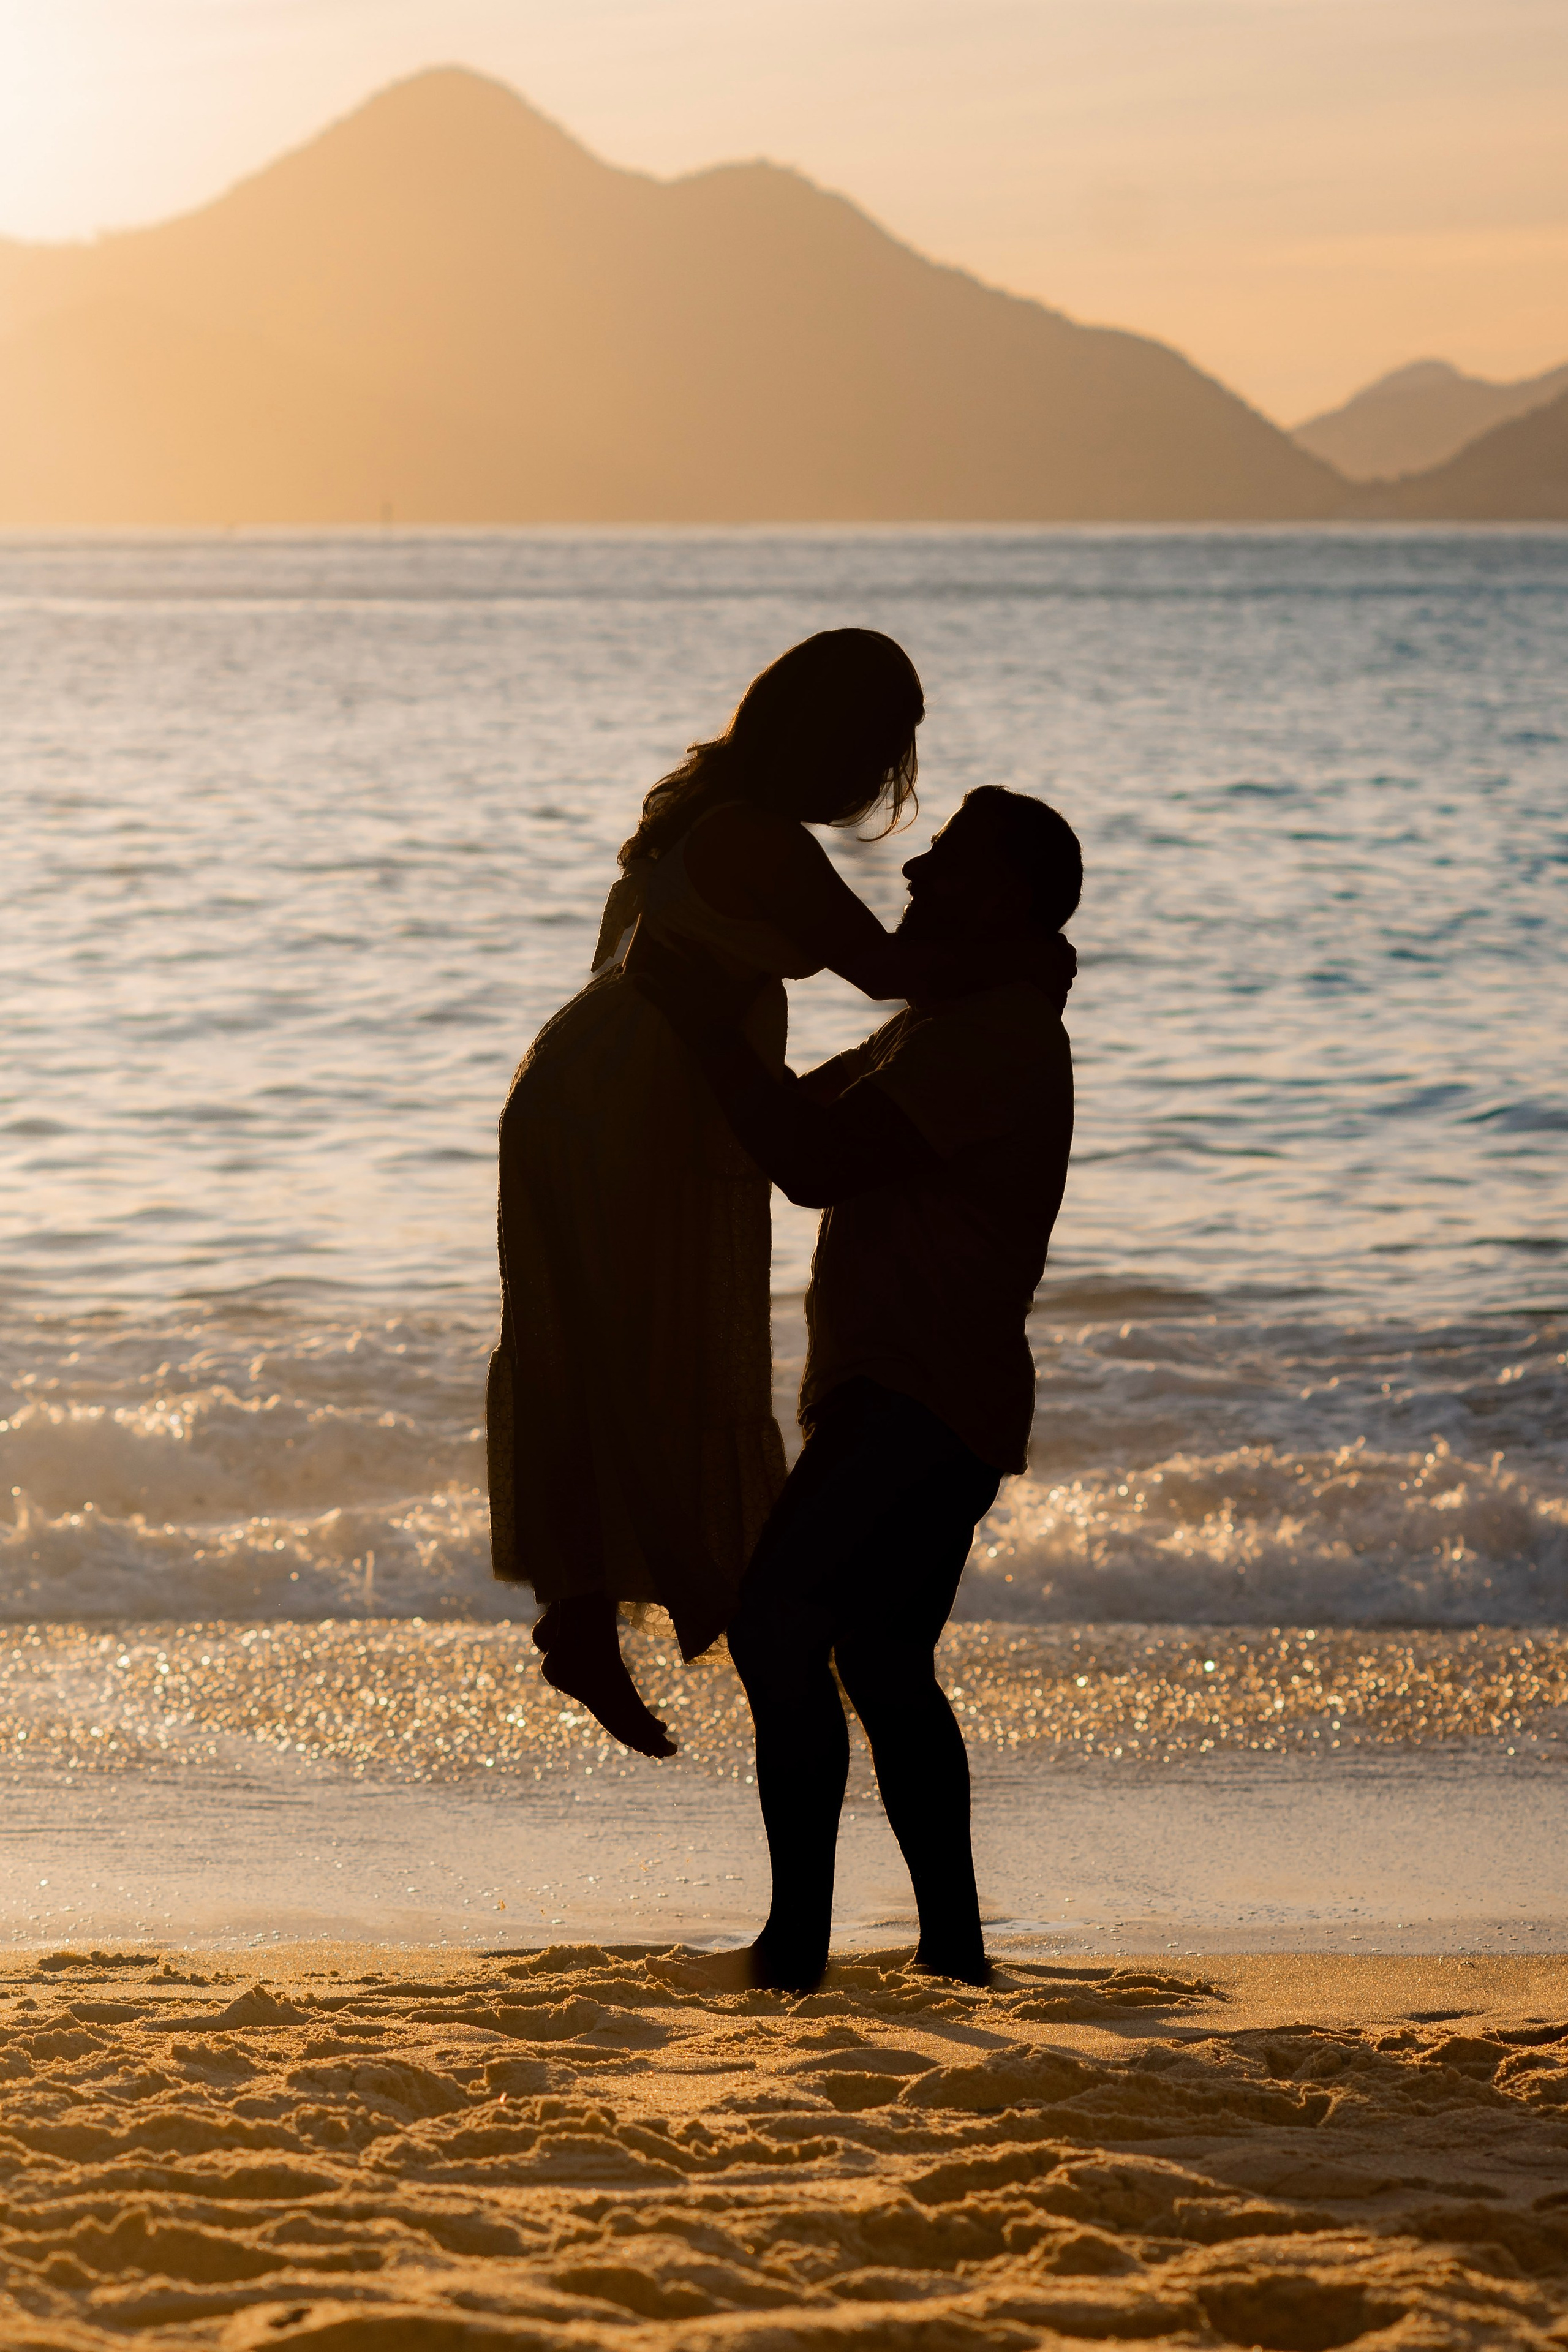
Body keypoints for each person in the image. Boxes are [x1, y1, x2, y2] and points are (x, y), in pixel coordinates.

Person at [630, 785, 1080, 1991]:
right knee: (880, 1660)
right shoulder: (947, 1022)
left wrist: (699, 1023)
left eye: (947, 857)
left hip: (918, 1394)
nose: (917, 870)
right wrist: (702, 1029)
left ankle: (795, 1946)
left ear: (999, 894)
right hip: (927, 1393)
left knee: (782, 1627)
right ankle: (951, 1952)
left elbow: (811, 1163)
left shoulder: (992, 1039)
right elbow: (775, 1121)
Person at [488, 629, 948, 1760]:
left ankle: (584, 1615)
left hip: (588, 1087)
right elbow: (890, 973)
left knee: (594, 1344)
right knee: (659, 1348)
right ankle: (668, 1605)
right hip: (633, 1106)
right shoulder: (757, 839)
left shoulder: (699, 813)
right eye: (882, 753)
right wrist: (1020, 947)